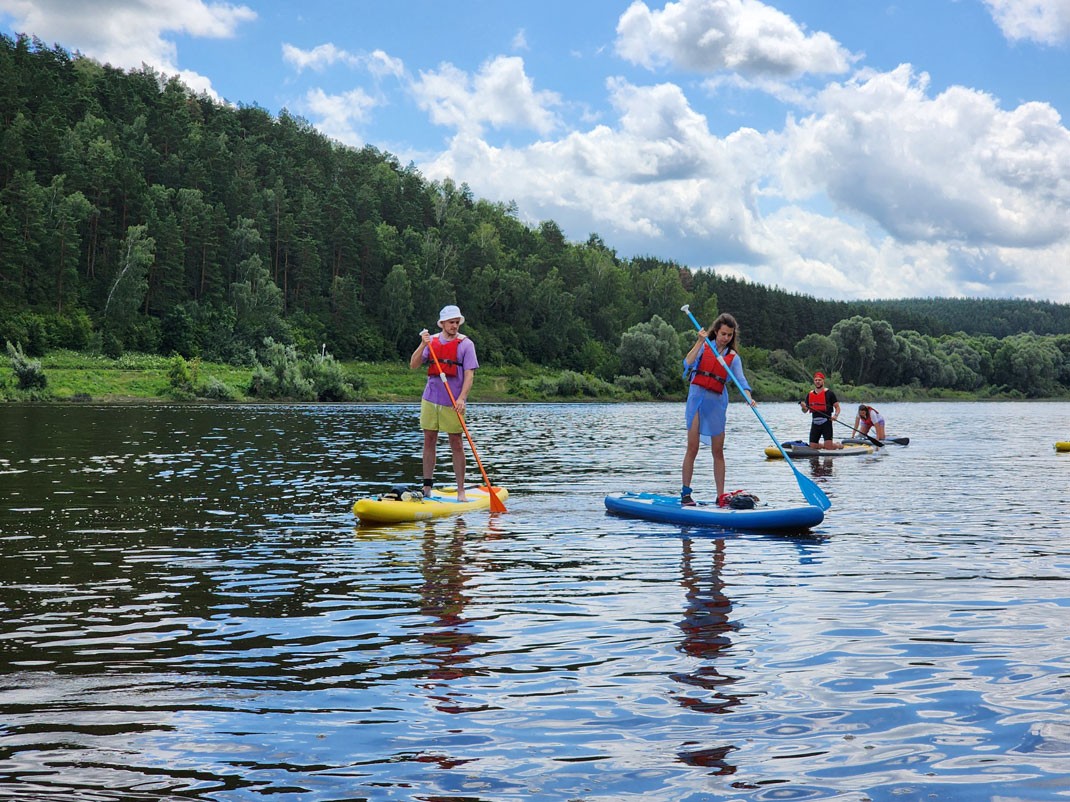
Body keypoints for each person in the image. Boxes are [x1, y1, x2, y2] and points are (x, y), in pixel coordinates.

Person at [680, 313, 756, 507]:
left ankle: (720, 496)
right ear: (716, 331)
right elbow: (687, 363)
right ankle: (686, 493)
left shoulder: (733, 357)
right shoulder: (705, 346)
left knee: (718, 451)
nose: (726, 338)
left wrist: (748, 397)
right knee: (693, 447)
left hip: (716, 404)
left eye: (730, 335)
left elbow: (742, 382)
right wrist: (699, 341)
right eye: (723, 334)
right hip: (697, 400)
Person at [409, 304, 479, 501]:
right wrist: (423, 344)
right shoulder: (430, 342)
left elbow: (469, 374)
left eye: (457, 322)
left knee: (456, 442)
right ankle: (427, 487)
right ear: (442, 324)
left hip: (453, 401)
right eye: (451, 322)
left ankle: (461, 491)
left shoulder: (466, 345)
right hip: (431, 398)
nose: (454, 326)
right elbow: (413, 365)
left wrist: (462, 398)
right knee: (429, 439)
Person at [800, 371, 843, 450]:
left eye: (819, 380)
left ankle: (837, 445)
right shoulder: (810, 394)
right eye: (816, 380)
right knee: (812, 447)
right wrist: (803, 407)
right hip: (815, 422)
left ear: (823, 381)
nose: (817, 382)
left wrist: (835, 416)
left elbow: (837, 407)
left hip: (826, 422)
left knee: (829, 448)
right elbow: (805, 411)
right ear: (814, 381)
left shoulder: (829, 393)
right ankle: (824, 445)